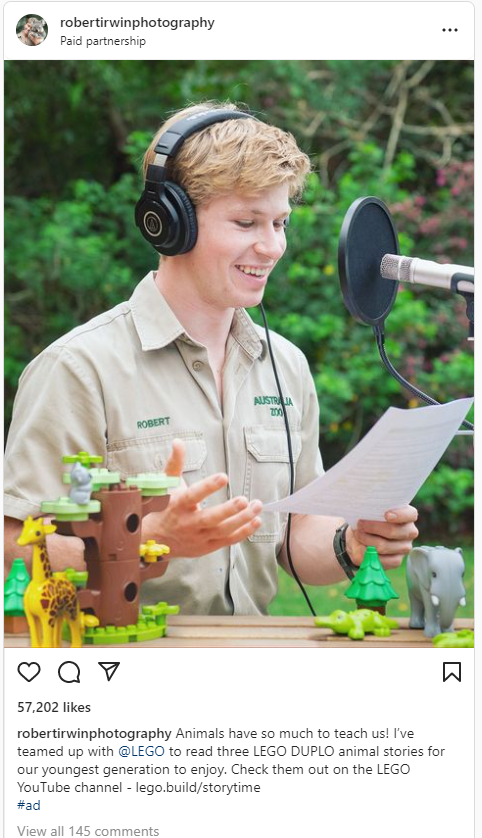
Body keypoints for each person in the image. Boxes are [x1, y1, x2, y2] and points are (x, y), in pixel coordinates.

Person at [4, 102, 418, 614]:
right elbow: (11, 555)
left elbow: (295, 535)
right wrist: (149, 540)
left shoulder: (286, 367)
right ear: (169, 222)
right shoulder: (77, 369)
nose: (271, 247)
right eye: (246, 222)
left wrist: (352, 542)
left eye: (280, 222)